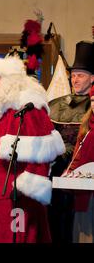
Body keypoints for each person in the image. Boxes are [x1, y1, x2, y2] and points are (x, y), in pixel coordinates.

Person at [0, 56, 65, 243]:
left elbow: (42, 153)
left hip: (16, 200)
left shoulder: (29, 108)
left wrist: (26, 189)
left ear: (11, 80)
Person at [48, 40, 94, 243]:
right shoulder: (57, 104)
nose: (75, 79)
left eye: (81, 75)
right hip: (56, 170)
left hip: (84, 173)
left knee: (78, 225)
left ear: (92, 78)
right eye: (73, 75)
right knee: (56, 219)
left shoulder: (93, 105)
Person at [64, 85, 94, 243]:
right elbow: (77, 157)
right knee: (84, 234)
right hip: (86, 193)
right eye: (93, 101)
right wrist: (69, 174)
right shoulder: (86, 127)